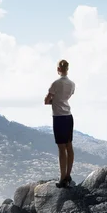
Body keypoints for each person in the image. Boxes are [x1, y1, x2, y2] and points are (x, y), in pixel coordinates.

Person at [44, 59, 75, 188]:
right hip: (68, 116)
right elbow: (66, 98)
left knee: (61, 149)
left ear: (58, 69)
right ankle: (68, 175)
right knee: (69, 146)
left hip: (58, 118)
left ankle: (62, 178)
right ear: (67, 69)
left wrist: (54, 102)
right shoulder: (72, 84)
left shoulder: (55, 84)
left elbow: (46, 100)